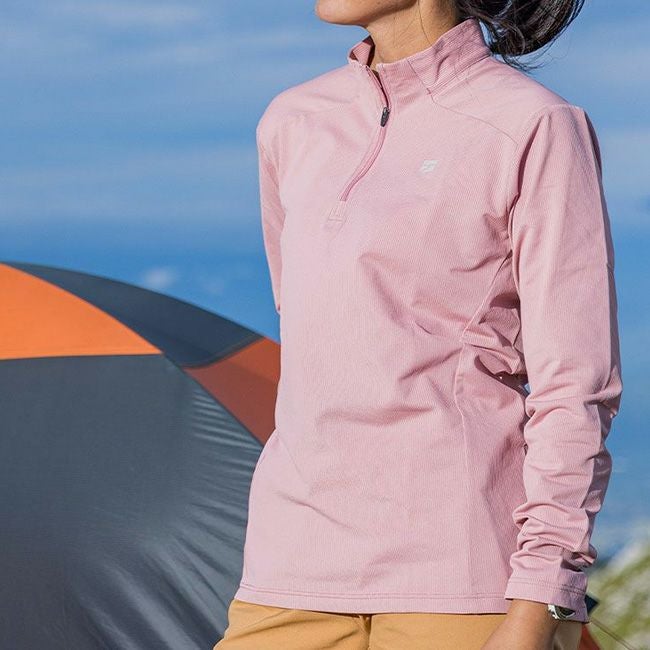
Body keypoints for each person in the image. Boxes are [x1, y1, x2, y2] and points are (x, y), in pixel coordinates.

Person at [214, 0, 623, 648]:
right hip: (290, 570)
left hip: (462, 578)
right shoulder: (292, 122)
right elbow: (314, 345)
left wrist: (538, 602)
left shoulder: (531, 125)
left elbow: (575, 386)